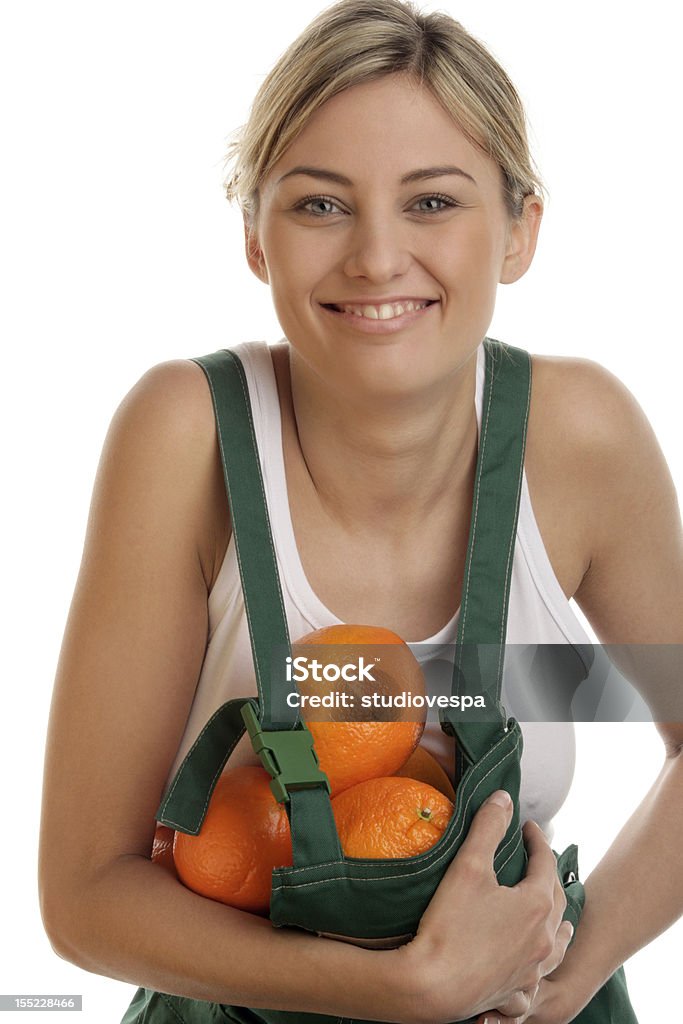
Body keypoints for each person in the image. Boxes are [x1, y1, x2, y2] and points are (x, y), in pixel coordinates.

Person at [38, 1, 683, 1022]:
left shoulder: (581, 440)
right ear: (254, 235)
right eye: (319, 205)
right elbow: (84, 895)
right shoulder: (187, 438)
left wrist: (563, 974)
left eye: (430, 202)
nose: (376, 259)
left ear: (519, 231)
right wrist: (402, 989)